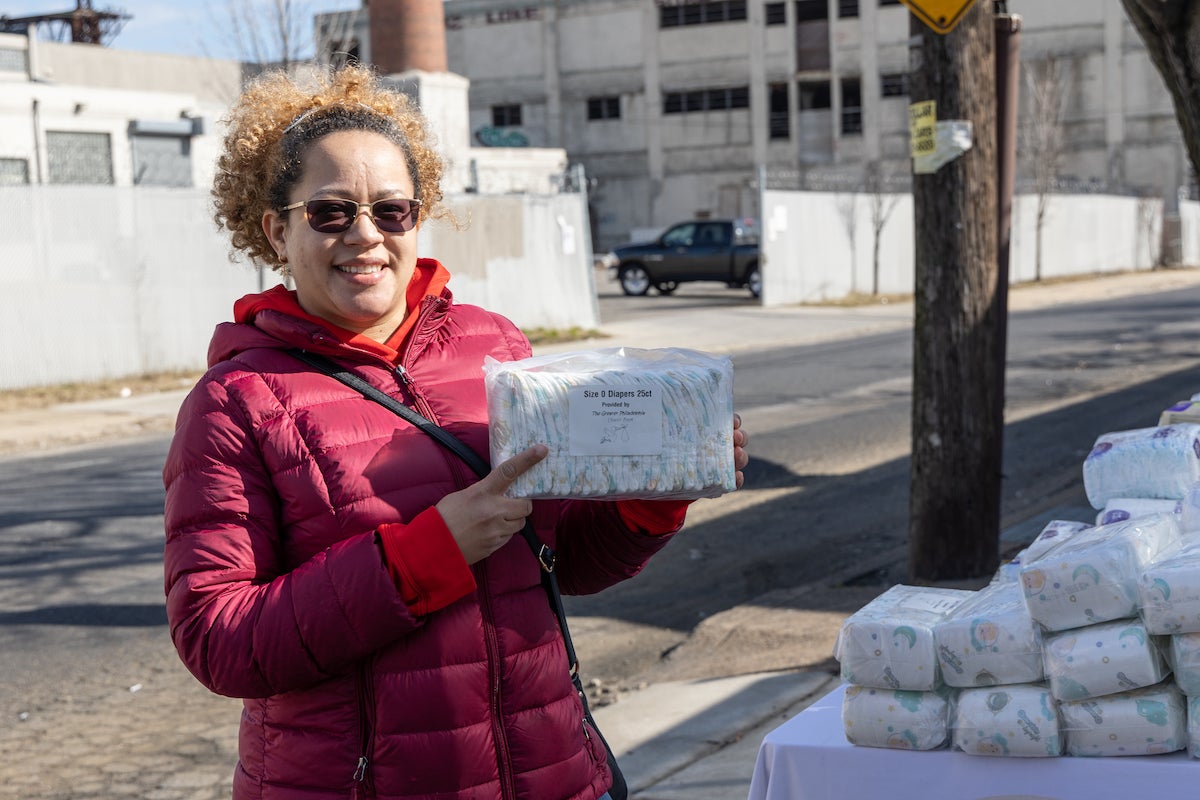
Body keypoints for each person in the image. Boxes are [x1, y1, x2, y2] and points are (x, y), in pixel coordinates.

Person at [163, 64, 750, 800]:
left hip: (552, 776)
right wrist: (429, 552)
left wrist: (658, 490)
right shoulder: (234, 402)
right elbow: (219, 641)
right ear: (277, 229)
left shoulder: (496, 348)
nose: (366, 235)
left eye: (392, 210)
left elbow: (562, 560)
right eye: (331, 212)